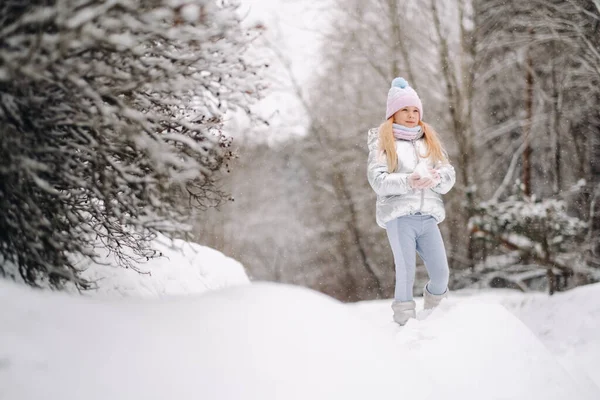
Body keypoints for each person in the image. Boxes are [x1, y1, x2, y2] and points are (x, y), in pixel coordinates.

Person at [367, 77, 456, 326]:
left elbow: (449, 177)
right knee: (405, 272)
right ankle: (404, 324)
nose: (411, 114)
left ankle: (434, 318)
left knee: (441, 274)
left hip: (428, 218)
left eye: (415, 109)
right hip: (400, 218)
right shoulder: (382, 143)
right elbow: (378, 180)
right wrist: (410, 181)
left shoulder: (430, 141)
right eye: (404, 109)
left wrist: (436, 178)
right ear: (393, 113)